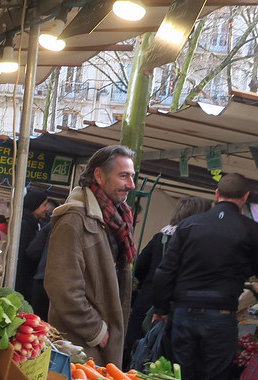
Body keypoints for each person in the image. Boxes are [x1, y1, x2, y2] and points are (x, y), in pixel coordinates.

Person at [152, 172, 258, 380]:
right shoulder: (252, 230)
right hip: (221, 314)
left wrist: (161, 308)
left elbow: (165, 270)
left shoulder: (189, 225)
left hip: (184, 310)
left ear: (217, 193)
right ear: (245, 196)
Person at [44, 145, 138, 367]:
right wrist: (97, 331)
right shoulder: (73, 220)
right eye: (123, 176)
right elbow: (62, 288)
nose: (131, 185)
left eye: (132, 177)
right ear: (99, 175)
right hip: (80, 347)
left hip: (101, 344)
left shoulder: (116, 219)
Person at [123, 196, 212, 367]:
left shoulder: (160, 239)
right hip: (176, 314)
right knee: (162, 364)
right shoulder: (198, 245)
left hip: (145, 308)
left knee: (136, 357)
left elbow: (138, 269)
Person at [15, 188, 50, 301]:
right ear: (35, 206)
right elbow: (22, 256)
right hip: (24, 280)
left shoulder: (36, 224)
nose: (47, 208)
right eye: (44, 205)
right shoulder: (25, 225)